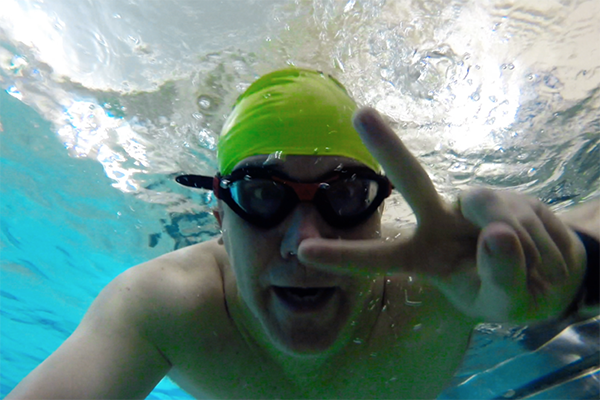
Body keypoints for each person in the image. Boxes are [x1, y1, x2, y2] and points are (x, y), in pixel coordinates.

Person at [6, 68, 600, 400]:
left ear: (380, 210)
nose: (304, 244)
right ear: (218, 219)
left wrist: (568, 264)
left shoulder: (442, 278)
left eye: (345, 198)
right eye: (261, 197)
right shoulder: (165, 308)